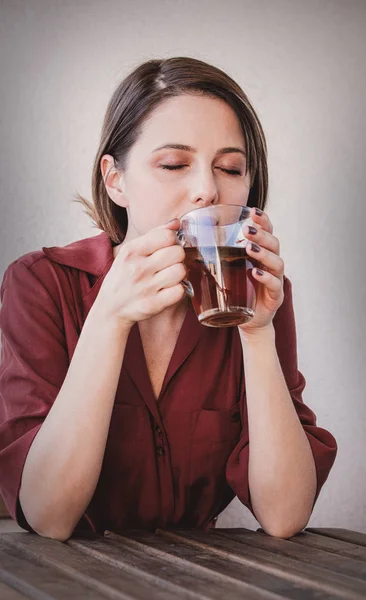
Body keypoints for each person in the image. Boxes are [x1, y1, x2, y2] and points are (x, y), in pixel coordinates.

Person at [0, 57, 337, 542]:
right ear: (116, 179)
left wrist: (258, 332)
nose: (206, 189)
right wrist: (110, 320)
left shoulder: (259, 297)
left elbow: (284, 515)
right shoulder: (41, 283)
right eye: (174, 164)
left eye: (230, 167)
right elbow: (48, 515)